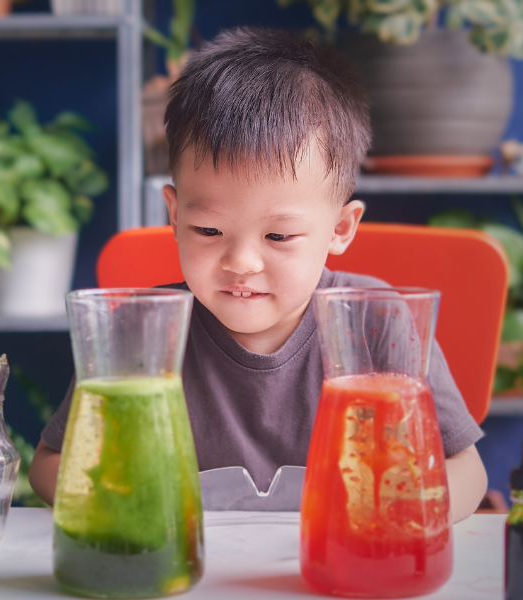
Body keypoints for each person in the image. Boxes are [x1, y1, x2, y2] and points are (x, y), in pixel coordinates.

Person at [28, 27, 487, 522]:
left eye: (279, 237)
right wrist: (122, 500)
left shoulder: (376, 322)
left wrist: (400, 515)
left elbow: (465, 469)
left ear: (340, 228)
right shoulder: (139, 331)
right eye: (208, 229)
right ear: (174, 214)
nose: (241, 262)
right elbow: (49, 464)